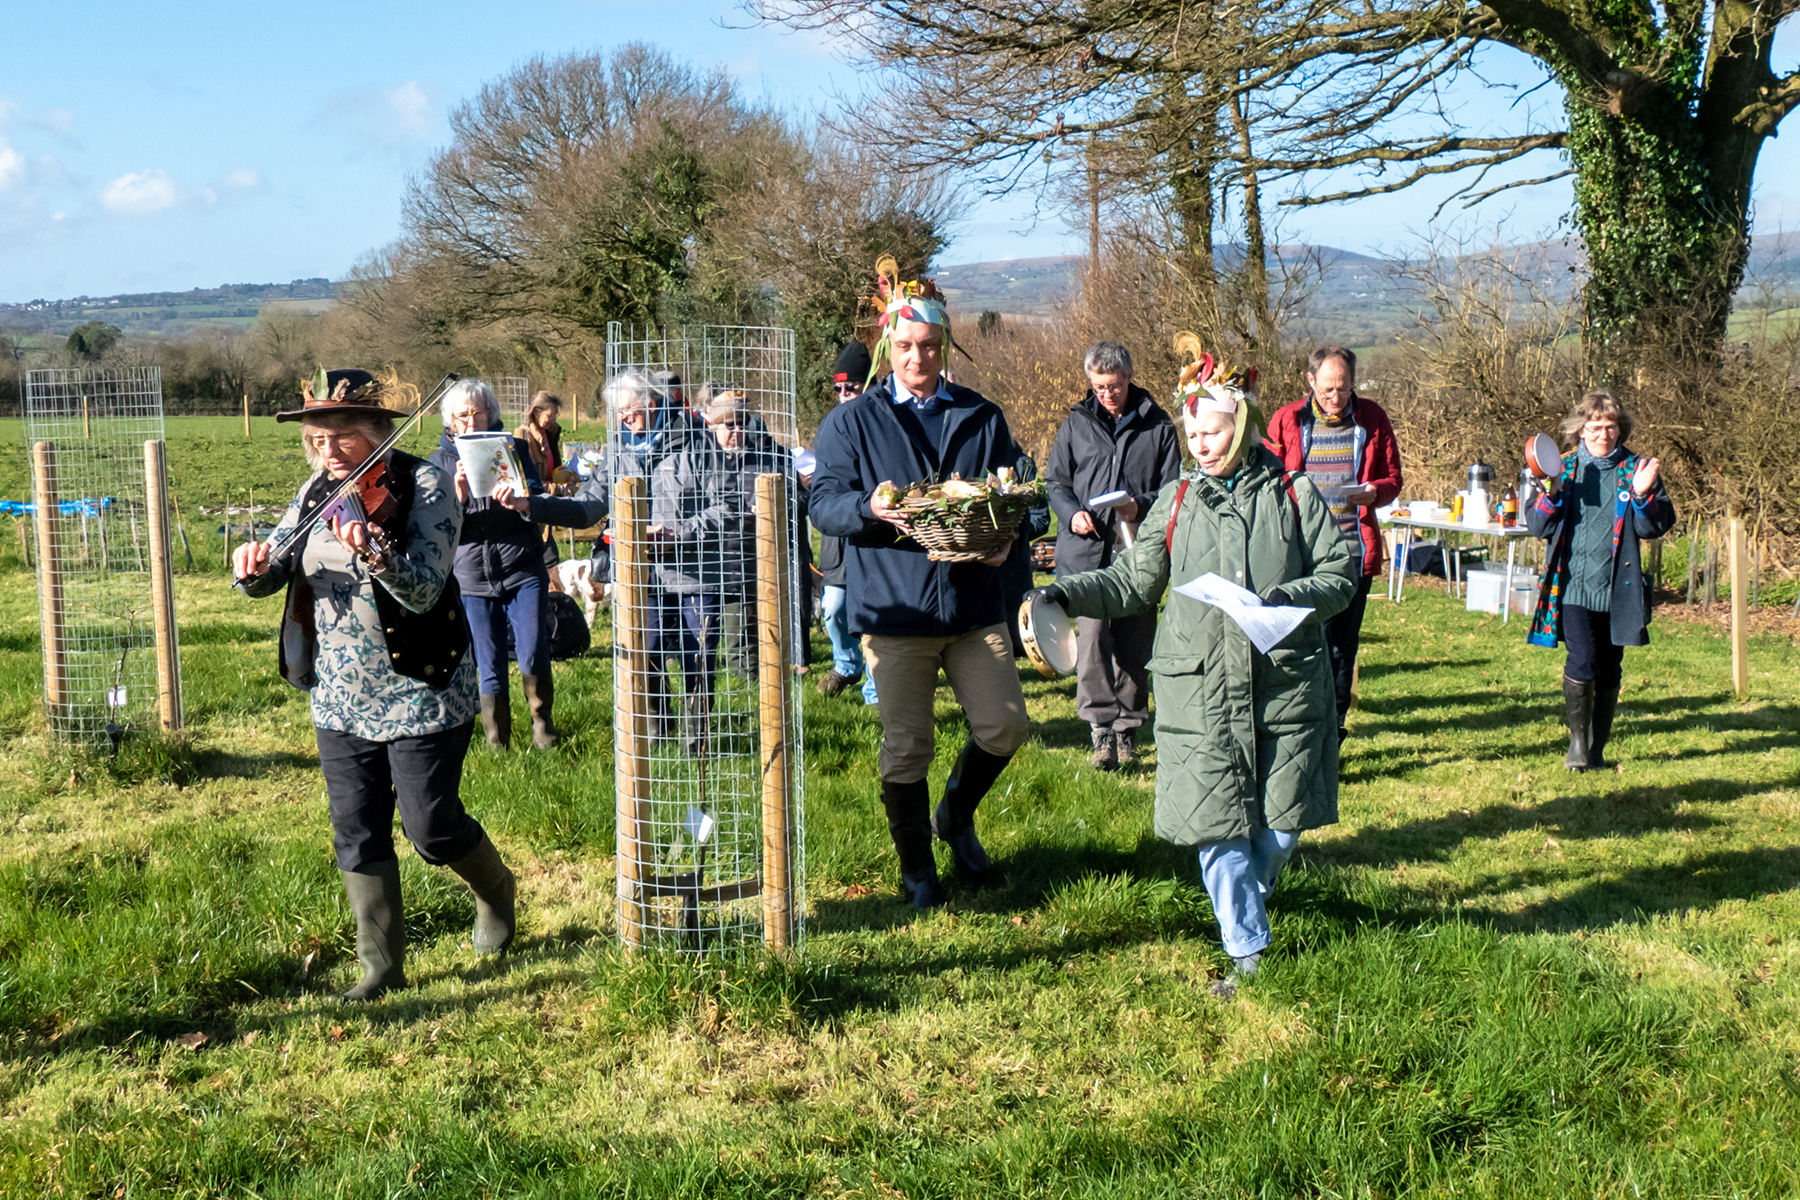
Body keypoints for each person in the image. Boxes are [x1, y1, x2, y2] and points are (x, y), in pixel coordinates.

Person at [1032, 350, 1354, 985]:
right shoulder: (1177, 500)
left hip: (1284, 684)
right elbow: (1133, 581)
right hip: (1200, 686)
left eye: (1212, 432)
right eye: (1193, 434)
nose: (1200, 445)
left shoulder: (1295, 494)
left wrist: (1287, 599)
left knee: (1284, 822)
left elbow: (1340, 575)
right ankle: (1247, 951)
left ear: (1244, 425)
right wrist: (1067, 593)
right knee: (1218, 825)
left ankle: (1244, 912)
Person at [234, 368, 516, 1001]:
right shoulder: (317, 490)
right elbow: (279, 561)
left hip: (424, 685)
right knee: (355, 825)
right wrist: (252, 566)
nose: (328, 454)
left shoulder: (426, 484)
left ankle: (496, 890)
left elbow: (424, 590)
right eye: (317, 441)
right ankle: (381, 968)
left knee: (431, 826)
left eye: (343, 439)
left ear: (378, 432)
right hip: (338, 690)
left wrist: (377, 555)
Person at [810, 275, 1029, 908]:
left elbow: (1018, 492)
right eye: (906, 345)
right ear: (887, 346)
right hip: (896, 608)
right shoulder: (852, 422)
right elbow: (823, 504)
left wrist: (1010, 536)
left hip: (970, 605)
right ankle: (916, 868)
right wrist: (869, 508)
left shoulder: (982, 416)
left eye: (930, 346)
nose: (918, 358)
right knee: (908, 746)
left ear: (945, 345)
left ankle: (954, 814)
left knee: (1006, 724)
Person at [1045, 341, 1182, 770]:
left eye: (1116, 385)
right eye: (1100, 386)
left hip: (1137, 550)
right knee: (1091, 644)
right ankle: (1100, 729)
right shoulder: (1076, 424)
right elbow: (1056, 483)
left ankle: (1128, 729)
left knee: (1133, 644)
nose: (1108, 393)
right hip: (1086, 551)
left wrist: (1138, 505)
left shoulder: (1158, 425)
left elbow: (1173, 488)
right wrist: (1071, 516)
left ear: (1129, 378)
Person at [1526, 388, 1674, 772]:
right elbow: (1538, 525)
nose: (1602, 434)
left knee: (1610, 667)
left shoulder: (1636, 470)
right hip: (1572, 583)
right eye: (1594, 426)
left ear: (1620, 430)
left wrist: (1644, 497)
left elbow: (1653, 525)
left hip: (1619, 589)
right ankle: (1577, 743)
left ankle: (1597, 749)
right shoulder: (1561, 467)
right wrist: (1552, 494)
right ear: (1580, 430)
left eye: (1610, 426)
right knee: (1583, 658)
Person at [1263, 345, 1404, 745]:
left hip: (1352, 552)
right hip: (1298, 553)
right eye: (1327, 388)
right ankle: (1297, 721)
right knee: (1301, 640)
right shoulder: (1287, 419)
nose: (1335, 397)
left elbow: (1393, 478)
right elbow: (1267, 474)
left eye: (1343, 388)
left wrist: (1374, 492)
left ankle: (1333, 730)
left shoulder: (1372, 418)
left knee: (1342, 647)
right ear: (1310, 381)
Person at [648, 390, 789, 752]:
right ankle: (658, 727)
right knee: (652, 650)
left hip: (730, 572)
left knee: (706, 656)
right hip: (672, 571)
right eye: (728, 424)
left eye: (741, 423)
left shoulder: (766, 456)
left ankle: (697, 739)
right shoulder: (691, 455)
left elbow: (730, 507)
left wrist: (776, 503)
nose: (735, 431)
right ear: (710, 423)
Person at [429, 380, 560, 750]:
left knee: (533, 648)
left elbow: (539, 502)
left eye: (478, 412)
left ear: (490, 413)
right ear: (450, 422)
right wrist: (457, 499)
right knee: (488, 661)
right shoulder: (438, 463)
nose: (471, 421)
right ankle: (496, 741)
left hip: (523, 569)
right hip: (471, 578)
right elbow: (434, 529)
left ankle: (542, 727)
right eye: (462, 415)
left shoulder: (515, 449)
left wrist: (522, 498)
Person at [816, 340, 872, 697]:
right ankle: (846, 665)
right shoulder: (830, 424)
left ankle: (877, 693)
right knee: (833, 609)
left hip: (873, 532)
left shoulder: (881, 419)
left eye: (850, 387)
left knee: (873, 619)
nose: (842, 394)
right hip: (837, 538)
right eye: (837, 388)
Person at [514, 391, 566, 491]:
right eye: (550, 416)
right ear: (537, 412)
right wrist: (560, 489)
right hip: (537, 500)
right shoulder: (523, 436)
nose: (554, 420)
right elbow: (528, 481)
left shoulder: (550, 434)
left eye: (555, 415)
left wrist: (566, 475)